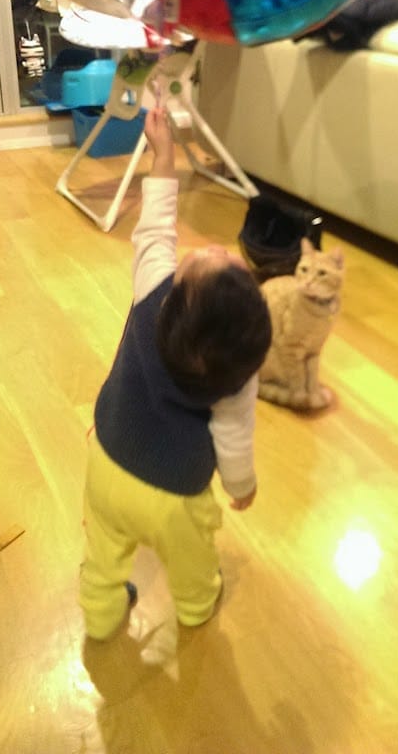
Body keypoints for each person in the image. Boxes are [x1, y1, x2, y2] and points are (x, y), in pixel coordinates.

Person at [80, 105, 272, 640]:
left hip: (106, 457)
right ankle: (195, 605)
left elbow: (157, 224)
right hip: (176, 496)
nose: (214, 246)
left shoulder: (153, 292)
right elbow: (234, 439)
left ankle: (99, 612)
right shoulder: (237, 375)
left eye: (211, 259)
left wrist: (162, 153)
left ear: (176, 290)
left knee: (103, 550)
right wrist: (242, 486)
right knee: (192, 560)